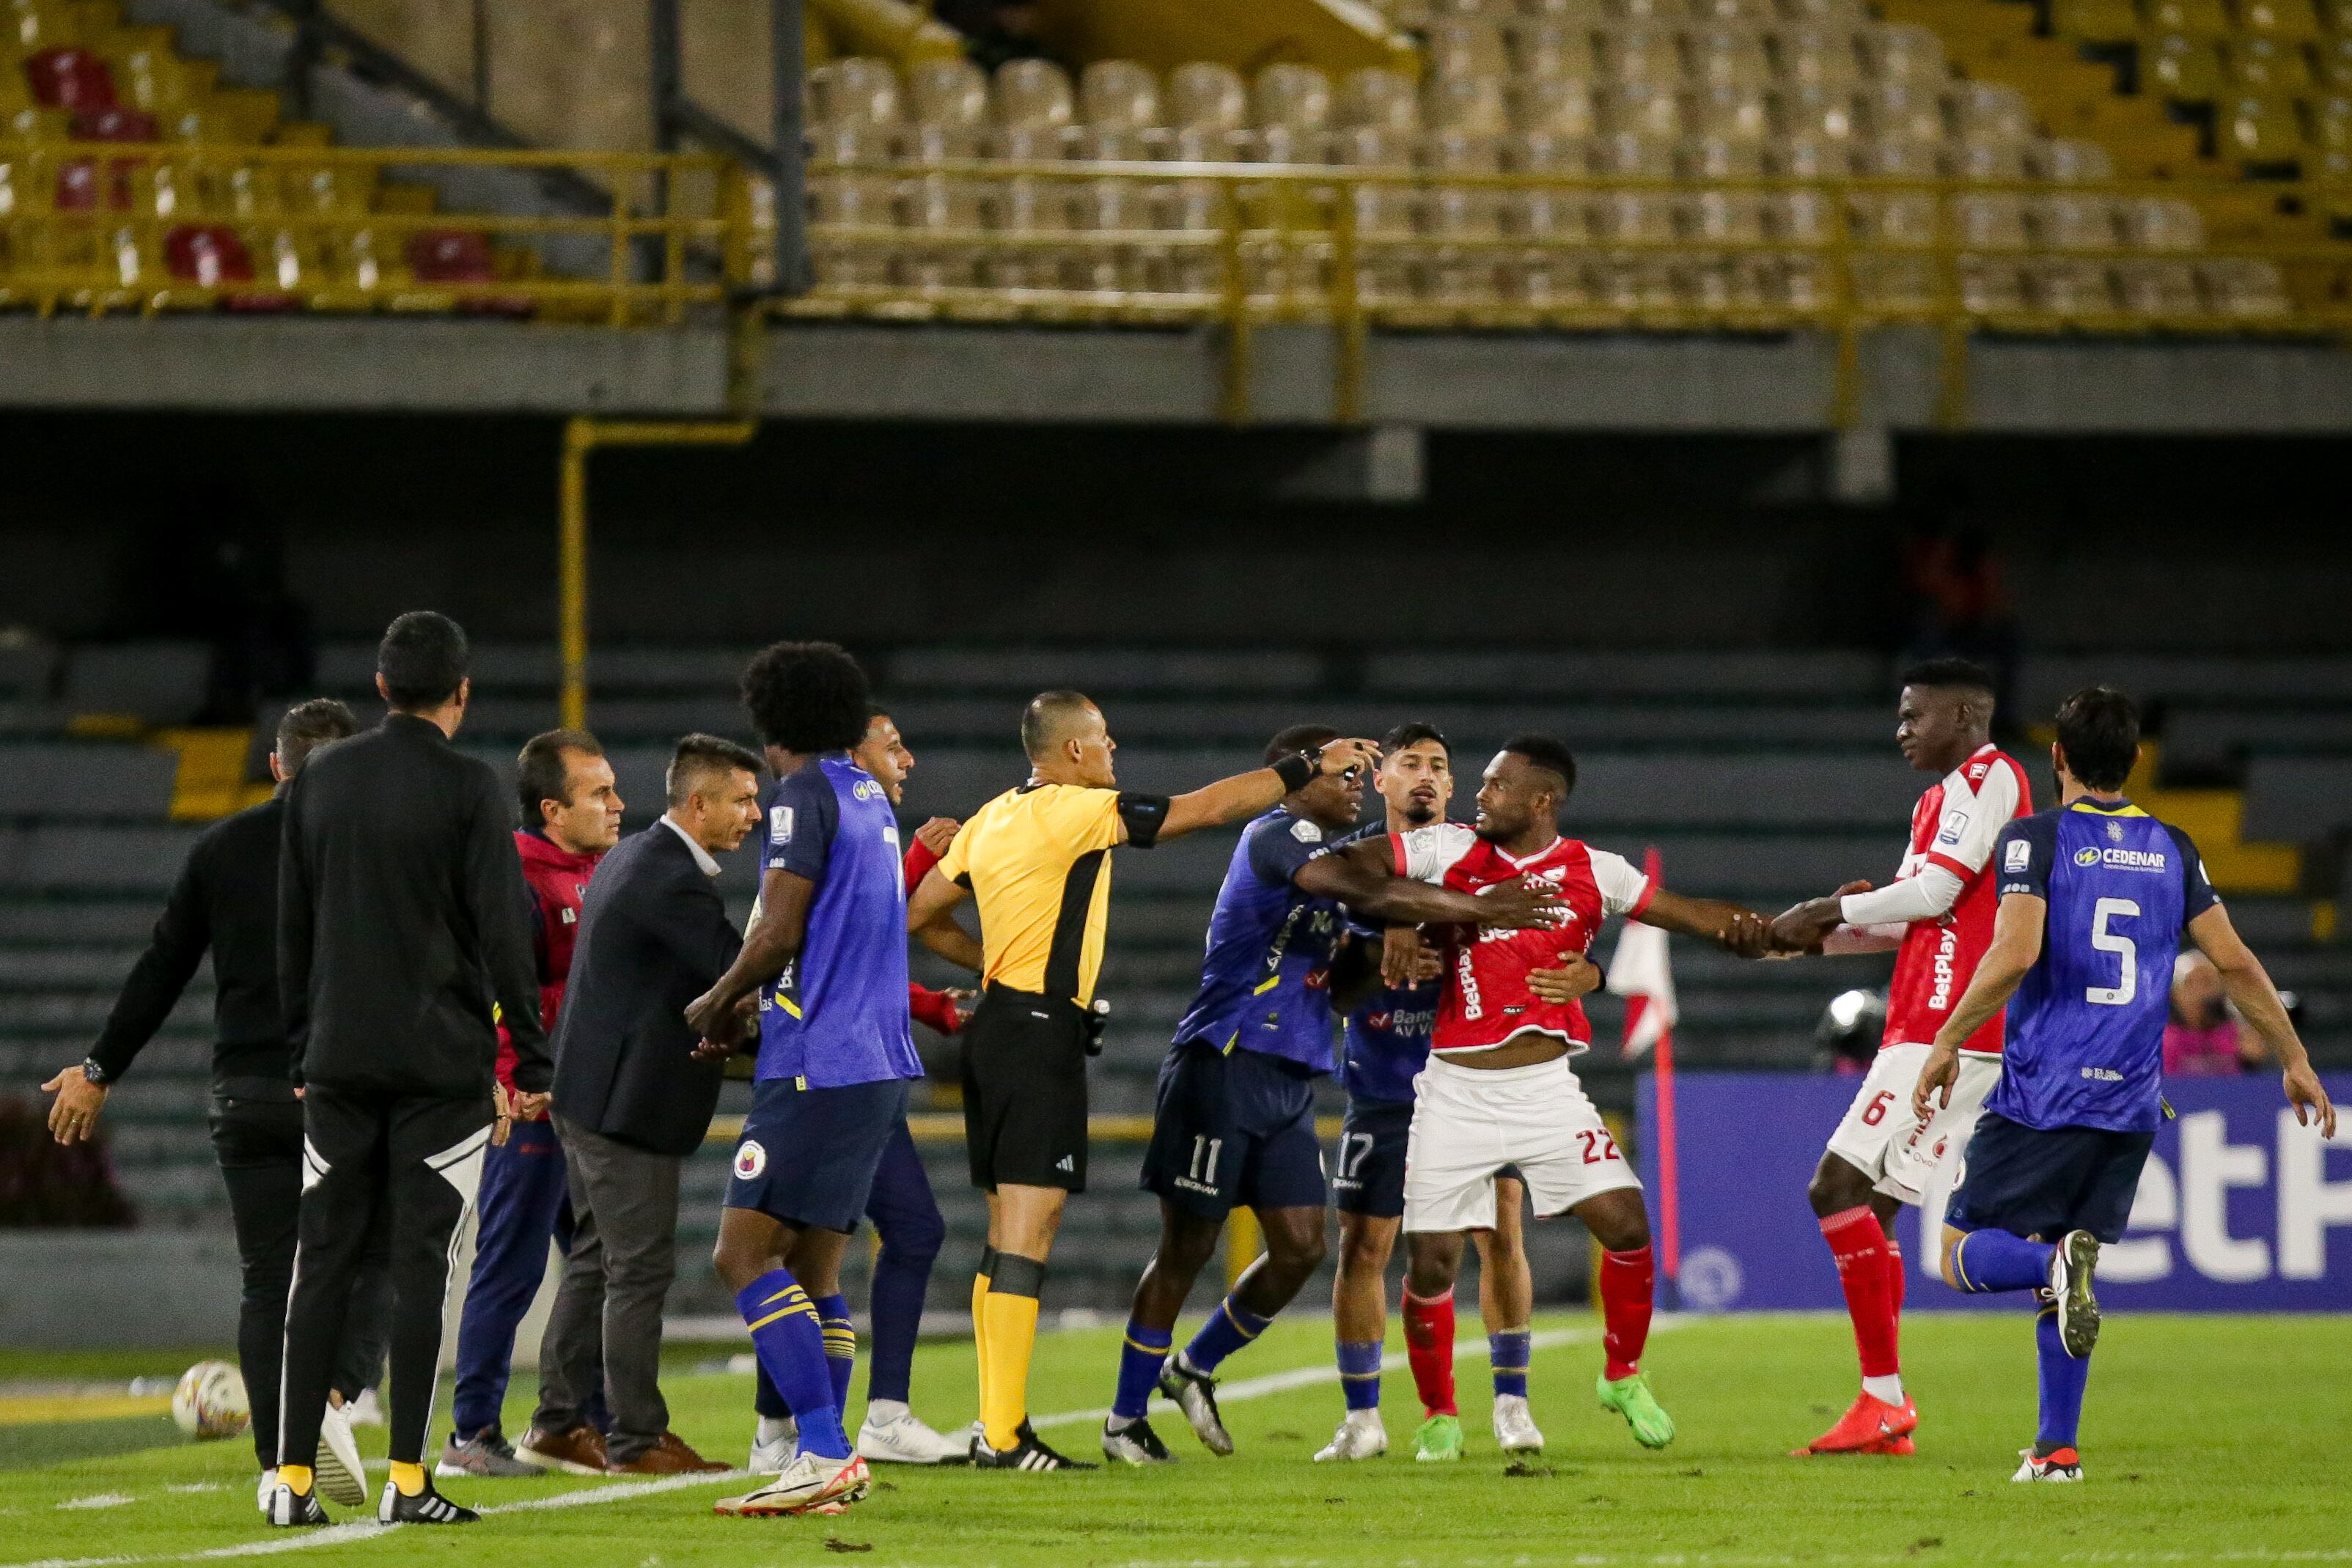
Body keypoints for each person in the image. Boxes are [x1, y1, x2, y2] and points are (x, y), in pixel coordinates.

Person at [904, 691, 1378, 1471]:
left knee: (1007, 1231)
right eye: (1103, 738)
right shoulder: (1073, 809)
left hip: (1001, 1025)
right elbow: (1203, 809)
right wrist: (1304, 766)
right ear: (1073, 752)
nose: (1114, 748)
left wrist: (996, 967)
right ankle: (1006, 1433)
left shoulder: (992, 816)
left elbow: (921, 914)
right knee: (1029, 1229)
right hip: (1038, 1031)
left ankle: (999, 1424)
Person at [1101, 724, 1565, 1466]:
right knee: (1187, 1247)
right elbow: (1356, 886)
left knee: (1300, 1249)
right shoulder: (1276, 836)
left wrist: (1384, 954)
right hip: (1223, 1060)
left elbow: (1346, 986)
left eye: (1360, 774)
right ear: (1297, 776)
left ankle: (1191, 1367)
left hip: (1292, 1075)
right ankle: (1124, 1418)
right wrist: (1473, 909)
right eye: (1345, 773)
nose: (1355, 786)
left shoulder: (1343, 862)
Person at [1914, 685, 2334, 1483]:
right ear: (2135, 759)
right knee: (2070, 1265)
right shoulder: (2172, 847)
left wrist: (1947, 1040)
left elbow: (2014, 952)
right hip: (2130, 1104)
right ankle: (2057, 1451)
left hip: (2044, 1092)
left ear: (2057, 756)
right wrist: (2294, 1059)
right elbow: (2235, 962)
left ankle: (2050, 1274)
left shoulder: (2034, 839)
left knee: (1957, 1252)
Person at [42, 699, 390, 1515]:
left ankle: (280, 1475)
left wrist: (98, 1069)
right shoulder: (370, 851)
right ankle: (332, 1397)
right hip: (338, 1088)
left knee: (267, 1279)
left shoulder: (222, 847)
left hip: (245, 1096)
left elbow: (162, 967)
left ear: (275, 765)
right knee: (380, 1248)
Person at [1389, 737, 1771, 1462]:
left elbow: (1690, 914)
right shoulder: (1449, 850)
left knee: (1626, 1223)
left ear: (1541, 801)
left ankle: (1622, 1375)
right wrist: (1402, 921)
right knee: (1433, 1261)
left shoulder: (1597, 869)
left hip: (1545, 1088)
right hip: (1456, 1088)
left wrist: (1766, 931)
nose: (1480, 794)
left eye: (1496, 785)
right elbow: (1357, 874)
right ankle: (1439, 1414)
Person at [268, 611, 549, 1528]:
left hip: (338, 1058)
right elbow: (504, 932)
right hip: (439, 1065)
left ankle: (291, 1482)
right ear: (462, 692)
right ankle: (407, 1480)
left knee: (321, 1265)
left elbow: (292, 925)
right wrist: (530, 1055)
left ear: (382, 687)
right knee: (422, 1268)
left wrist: (300, 1044)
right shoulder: (471, 788)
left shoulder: (320, 778)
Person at [683, 644, 929, 1517]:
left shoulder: (800, 796)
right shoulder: (865, 794)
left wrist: (715, 1000)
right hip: (874, 1059)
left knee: (741, 1254)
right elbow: (831, 936)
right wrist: (761, 1003)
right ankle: (822, 1458)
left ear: (770, 714)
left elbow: (781, 929)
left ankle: (820, 1450)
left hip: (821, 1062)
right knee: (817, 1268)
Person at [1765, 658, 2032, 1456]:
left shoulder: (1990, 778)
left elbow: (1935, 893)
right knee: (1871, 1208)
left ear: (1965, 715)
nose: (1901, 730)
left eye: (1915, 715)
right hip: (1925, 1025)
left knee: (1834, 1186)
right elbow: (1911, 917)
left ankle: (1885, 1397)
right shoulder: (1936, 801)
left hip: (1949, 1031)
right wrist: (1811, 940)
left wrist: (1826, 906)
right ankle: (1882, 1408)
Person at [1315, 723, 1569, 1464]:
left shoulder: (1481, 857)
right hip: (1383, 1084)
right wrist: (1382, 936)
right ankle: (1363, 1418)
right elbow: (1334, 982)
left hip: (1475, 1078)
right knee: (1366, 1246)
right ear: (1383, 780)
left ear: (1452, 787)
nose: (1425, 775)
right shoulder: (1350, 863)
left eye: (1438, 765)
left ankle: (1512, 1405)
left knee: (1500, 1231)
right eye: (1410, 764)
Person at [517, 735, 760, 1477]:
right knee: (637, 1270)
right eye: (743, 800)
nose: (754, 814)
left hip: (593, 1093)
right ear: (699, 804)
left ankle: (558, 1423)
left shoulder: (639, 858)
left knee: (597, 1261)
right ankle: (635, 1437)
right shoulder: (670, 877)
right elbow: (736, 972)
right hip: (623, 1106)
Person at [743, 707, 974, 1472]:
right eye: (892, 744)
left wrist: (928, 1005)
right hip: (833, 1065)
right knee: (790, 1252)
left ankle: (816, 1432)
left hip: (858, 1063)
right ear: (850, 749)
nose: (906, 759)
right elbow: (813, 946)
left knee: (822, 1250)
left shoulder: (856, 823)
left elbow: (849, 947)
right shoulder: (830, 813)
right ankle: (816, 1430)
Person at [443, 728, 624, 1477]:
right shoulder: (514, 877)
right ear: (553, 809)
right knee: (512, 1266)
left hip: (583, 1100)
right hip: (531, 1100)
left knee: (598, 1263)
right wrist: (514, 1078)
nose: (617, 804)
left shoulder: (597, 869)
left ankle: (591, 1420)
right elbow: (496, 992)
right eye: (599, 793)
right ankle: (471, 1432)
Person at [2162, 951, 2262, 1075]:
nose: (2199, 992)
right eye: (2190, 983)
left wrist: (2250, 1060)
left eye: (2207, 982)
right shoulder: (2161, 1038)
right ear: (2175, 993)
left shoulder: (2239, 1033)